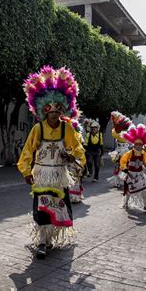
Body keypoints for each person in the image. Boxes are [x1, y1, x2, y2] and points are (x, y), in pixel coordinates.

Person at [17, 66, 85, 259]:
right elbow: (28, 150)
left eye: (57, 110)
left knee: (58, 205)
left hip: (59, 175)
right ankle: (41, 241)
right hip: (42, 175)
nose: (54, 114)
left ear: (63, 110)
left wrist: (73, 158)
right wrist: (26, 171)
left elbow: (78, 149)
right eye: (49, 110)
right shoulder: (38, 129)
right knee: (41, 205)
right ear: (43, 111)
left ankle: (51, 238)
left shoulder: (67, 129)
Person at [119, 124, 146, 210]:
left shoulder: (143, 153)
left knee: (144, 188)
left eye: (140, 144)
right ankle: (125, 203)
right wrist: (124, 168)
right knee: (129, 190)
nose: (138, 146)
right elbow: (123, 161)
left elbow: (145, 160)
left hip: (140, 174)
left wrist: (145, 163)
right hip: (130, 174)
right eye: (137, 144)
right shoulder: (130, 153)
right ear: (134, 144)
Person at [107, 111, 132, 188]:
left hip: (125, 150)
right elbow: (115, 133)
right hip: (119, 150)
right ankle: (117, 182)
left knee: (125, 166)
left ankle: (125, 180)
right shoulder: (116, 132)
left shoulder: (125, 133)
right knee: (117, 166)